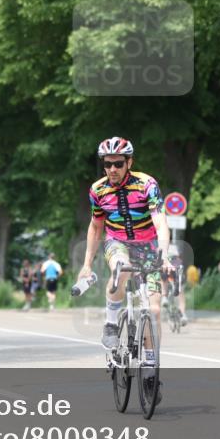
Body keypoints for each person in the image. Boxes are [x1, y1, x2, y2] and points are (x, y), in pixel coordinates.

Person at [76, 136, 173, 398]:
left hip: (149, 246)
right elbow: (96, 227)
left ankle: (151, 371)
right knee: (121, 267)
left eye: (118, 164)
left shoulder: (146, 184)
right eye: (107, 165)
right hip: (117, 242)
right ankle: (110, 324)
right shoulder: (98, 190)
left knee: (153, 309)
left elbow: (160, 221)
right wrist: (86, 264)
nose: (112, 170)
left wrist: (164, 256)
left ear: (129, 162)